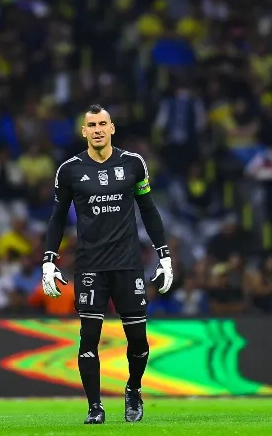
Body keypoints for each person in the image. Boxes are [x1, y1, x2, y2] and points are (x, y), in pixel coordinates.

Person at [41, 104, 173, 425]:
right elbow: (57, 218)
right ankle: (95, 407)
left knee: (138, 340)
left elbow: (149, 209)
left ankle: (133, 389)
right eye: (92, 125)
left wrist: (164, 255)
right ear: (83, 131)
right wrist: (48, 261)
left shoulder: (133, 163)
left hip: (128, 264)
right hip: (90, 266)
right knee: (89, 338)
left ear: (112, 128)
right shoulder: (69, 170)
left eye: (102, 124)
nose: (98, 129)